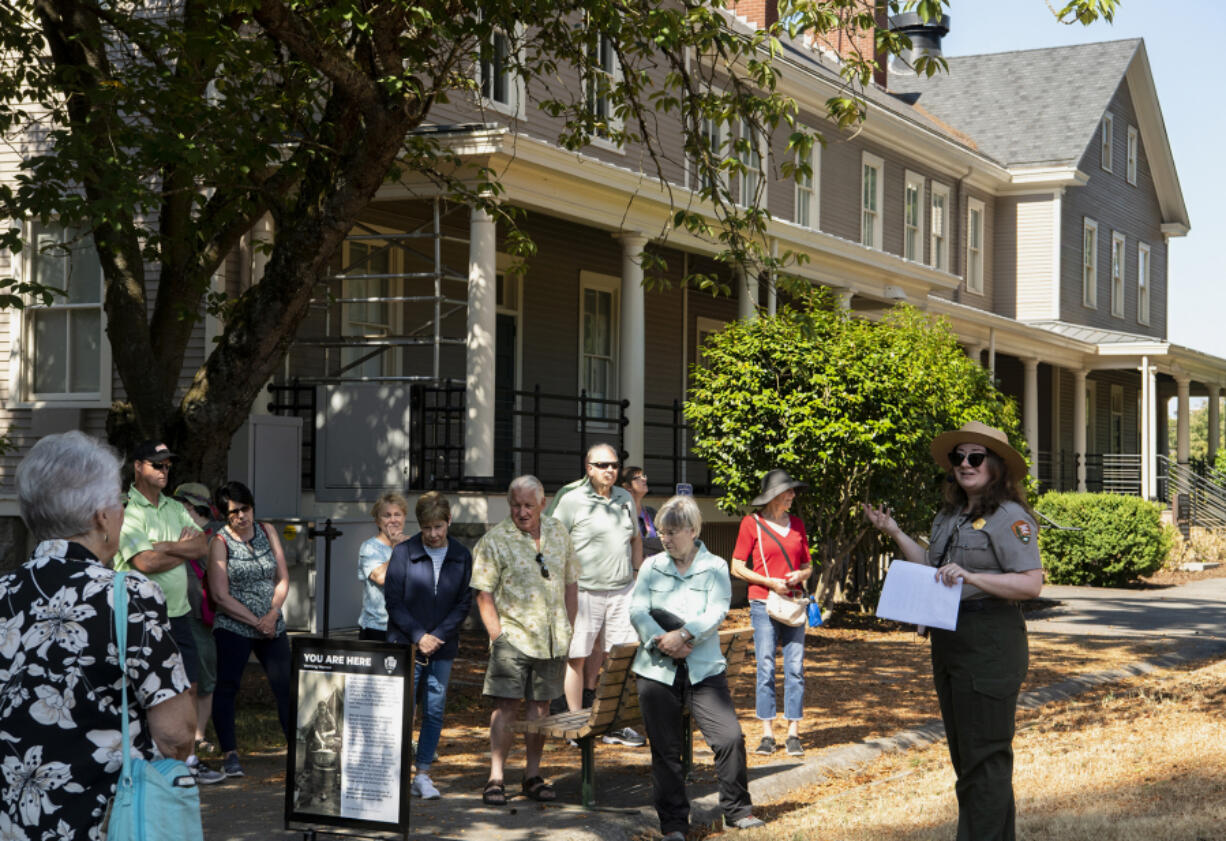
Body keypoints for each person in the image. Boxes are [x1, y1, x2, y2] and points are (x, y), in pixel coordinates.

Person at [1, 431, 195, 839]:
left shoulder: (5, 593)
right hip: (103, 821)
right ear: (99, 518)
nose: (122, 513)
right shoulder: (127, 595)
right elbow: (176, 735)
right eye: (118, 504)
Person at [863, 421, 1044, 841]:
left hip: (990, 641)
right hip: (950, 640)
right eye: (958, 457)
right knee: (969, 761)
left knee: (985, 759)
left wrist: (974, 578)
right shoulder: (950, 515)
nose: (965, 464)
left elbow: (1031, 583)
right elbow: (933, 564)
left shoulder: (1009, 518)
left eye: (975, 458)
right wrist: (894, 533)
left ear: (996, 466)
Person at [629, 495, 764, 839]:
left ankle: (737, 810)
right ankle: (674, 825)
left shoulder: (715, 566)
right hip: (657, 669)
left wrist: (685, 634)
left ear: (692, 530)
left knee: (729, 737)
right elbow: (638, 610)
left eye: (672, 531)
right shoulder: (651, 566)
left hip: (704, 670)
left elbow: (716, 610)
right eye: (661, 532)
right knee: (666, 751)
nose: (665, 538)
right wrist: (663, 640)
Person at [115, 440, 225, 784]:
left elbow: (202, 545)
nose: (164, 471)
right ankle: (145, 759)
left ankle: (187, 760)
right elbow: (144, 562)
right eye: (156, 465)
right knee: (144, 692)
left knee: (187, 688)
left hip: (178, 614)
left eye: (167, 466)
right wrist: (181, 549)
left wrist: (164, 546)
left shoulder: (174, 506)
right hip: (141, 616)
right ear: (138, 466)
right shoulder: (125, 509)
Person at [471, 475, 579, 806]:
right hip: (512, 639)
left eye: (528, 505)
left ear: (543, 504)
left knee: (540, 709)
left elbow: (571, 583)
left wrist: (569, 627)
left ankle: (532, 775)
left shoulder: (559, 533)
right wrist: (497, 636)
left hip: (551, 638)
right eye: (515, 505)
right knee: (505, 707)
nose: (521, 512)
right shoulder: (495, 540)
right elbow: (483, 592)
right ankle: (496, 777)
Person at [551, 443, 645, 747]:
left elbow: (635, 538)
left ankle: (603, 718)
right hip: (584, 590)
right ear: (588, 468)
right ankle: (577, 723)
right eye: (603, 465)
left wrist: (636, 572)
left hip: (621, 590)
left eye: (615, 465)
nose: (610, 470)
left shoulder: (625, 498)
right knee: (578, 655)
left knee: (613, 655)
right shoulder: (571, 500)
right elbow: (553, 543)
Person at [384, 491, 474, 800]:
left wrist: (438, 636)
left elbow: (464, 603)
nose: (433, 535)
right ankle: (395, 774)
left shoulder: (461, 555)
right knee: (402, 709)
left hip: (442, 646)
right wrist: (419, 636)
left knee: (434, 710)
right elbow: (393, 602)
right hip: (407, 644)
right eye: (426, 528)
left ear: (449, 521)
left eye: (438, 527)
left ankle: (422, 773)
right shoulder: (404, 553)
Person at [208, 480, 292, 779]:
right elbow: (220, 595)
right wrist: (255, 620)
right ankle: (230, 754)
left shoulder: (267, 531)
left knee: (286, 685)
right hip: (235, 624)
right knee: (227, 687)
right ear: (224, 515)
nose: (241, 517)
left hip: (272, 623)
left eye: (245, 509)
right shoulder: (219, 542)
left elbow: (283, 578)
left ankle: (297, 749)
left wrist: (272, 614)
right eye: (233, 512)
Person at [730, 468, 812, 757]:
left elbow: (808, 565)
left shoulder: (798, 524)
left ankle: (793, 734)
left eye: (792, 491)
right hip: (763, 603)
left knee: (795, 668)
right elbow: (736, 566)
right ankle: (767, 734)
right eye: (788, 491)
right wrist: (769, 582)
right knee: (765, 666)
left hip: (792, 603)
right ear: (774, 496)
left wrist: (797, 577)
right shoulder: (751, 524)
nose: (792, 495)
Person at [173, 481, 225, 759]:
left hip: (202, 615)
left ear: (191, 507)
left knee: (204, 678)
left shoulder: (215, 535)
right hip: (174, 612)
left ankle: (199, 734)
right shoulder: (175, 530)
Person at [357, 492, 410, 641]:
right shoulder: (369, 548)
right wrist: (396, 549)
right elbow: (381, 578)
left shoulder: (413, 545)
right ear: (377, 521)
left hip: (406, 627)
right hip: (377, 628)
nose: (393, 520)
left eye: (397, 514)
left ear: (404, 518)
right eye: (387, 515)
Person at [620, 465, 663, 557]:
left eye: (644, 476)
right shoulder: (622, 513)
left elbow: (664, 543)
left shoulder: (651, 512)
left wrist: (637, 543)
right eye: (637, 478)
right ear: (627, 486)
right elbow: (624, 546)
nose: (644, 479)